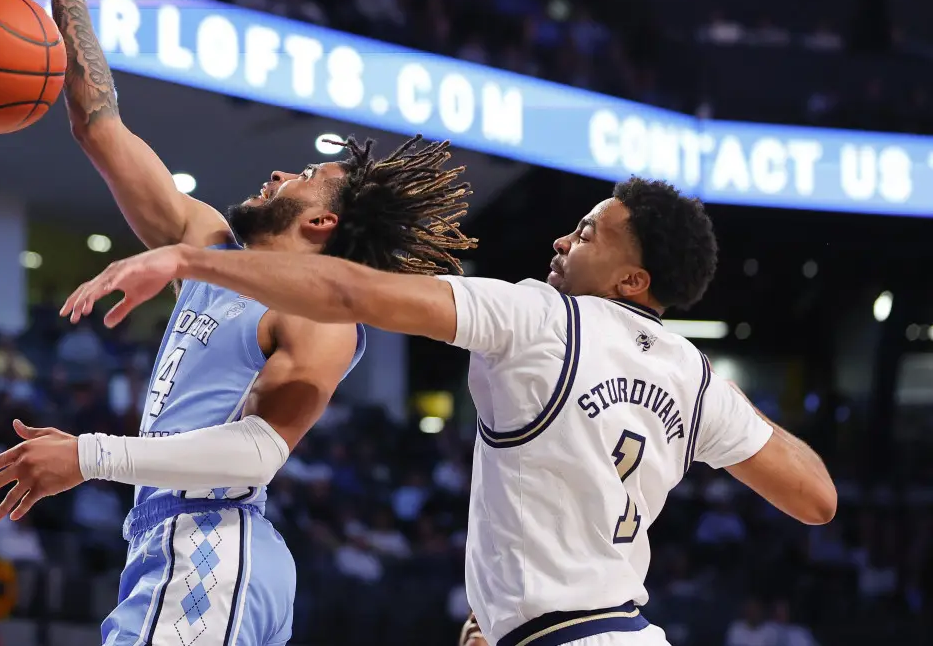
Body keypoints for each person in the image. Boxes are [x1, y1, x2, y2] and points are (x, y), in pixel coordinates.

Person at [0, 0, 477, 646]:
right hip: (178, 546)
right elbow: (100, 126)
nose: (280, 172)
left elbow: (257, 453)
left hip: (213, 541)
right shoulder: (208, 243)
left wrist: (90, 458)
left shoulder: (318, 315)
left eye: (305, 178)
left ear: (321, 229)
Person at [59, 176, 838, 646]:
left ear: (633, 280)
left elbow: (350, 292)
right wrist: (730, 417)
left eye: (590, 233)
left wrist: (192, 257)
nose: (564, 239)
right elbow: (816, 497)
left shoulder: (538, 316)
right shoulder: (693, 376)